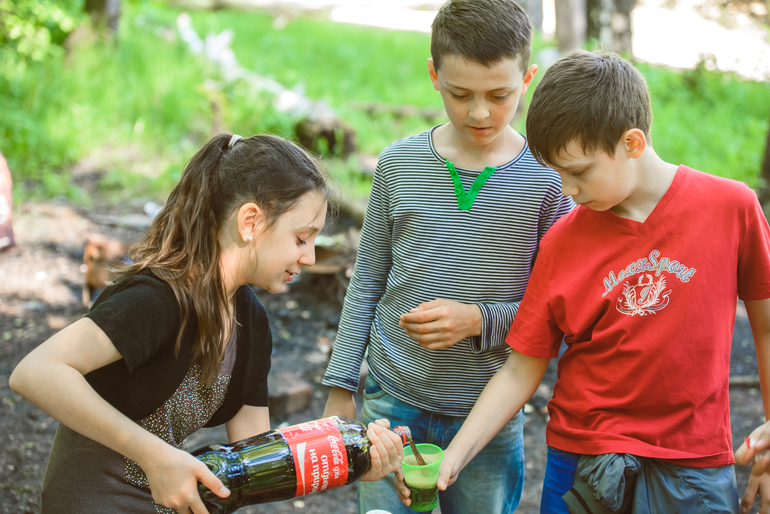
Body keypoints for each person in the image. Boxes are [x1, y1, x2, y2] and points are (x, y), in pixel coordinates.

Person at [405, 50, 770, 513]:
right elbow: (521, 368)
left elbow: (766, 327)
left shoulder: (731, 209)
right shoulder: (561, 241)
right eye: (557, 174)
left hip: (693, 463)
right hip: (581, 462)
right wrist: (454, 456)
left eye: (577, 172)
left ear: (632, 143)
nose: (567, 190)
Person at [9, 133, 404, 514]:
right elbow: (36, 371)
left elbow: (256, 460)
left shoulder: (251, 322)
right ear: (250, 222)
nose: (310, 258)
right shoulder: (157, 298)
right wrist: (154, 455)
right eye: (302, 238)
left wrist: (349, 460)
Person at [321, 1, 575, 512]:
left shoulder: (549, 183)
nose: (479, 113)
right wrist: (341, 384)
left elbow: (554, 313)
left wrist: (479, 320)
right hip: (392, 404)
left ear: (527, 79)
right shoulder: (399, 164)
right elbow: (368, 278)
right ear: (434, 75)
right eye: (460, 94)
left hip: (488, 418)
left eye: (499, 95)